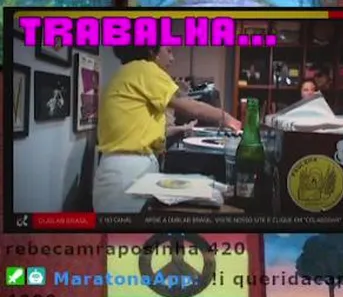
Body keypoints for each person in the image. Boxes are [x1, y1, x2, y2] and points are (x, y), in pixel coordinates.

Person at [93, 45, 241, 213]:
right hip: (126, 175)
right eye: (169, 51)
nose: (172, 58)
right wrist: (228, 119)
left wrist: (182, 128)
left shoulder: (127, 72)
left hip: (122, 172)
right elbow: (189, 105)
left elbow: (143, 130)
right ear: (152, 51)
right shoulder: (145, 69)